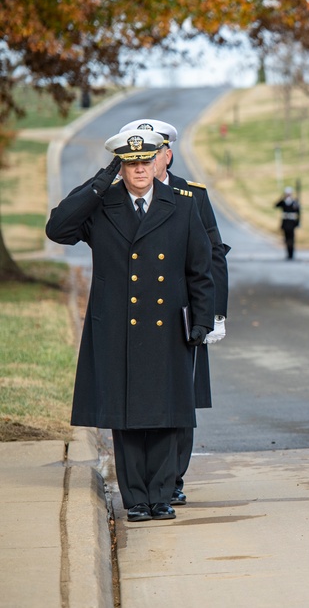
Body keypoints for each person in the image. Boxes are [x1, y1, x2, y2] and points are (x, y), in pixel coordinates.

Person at [45, 129, 215, 522]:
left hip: (169, 323)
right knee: (127, 416)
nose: (139, 169)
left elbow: (200, 269)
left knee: (166, 414)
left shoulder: (182, 204)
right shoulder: (102, 205)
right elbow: (58, 229)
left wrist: (202, 320)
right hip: (118, 324)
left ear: (157, 161)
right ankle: (136, 499)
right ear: (120, 166)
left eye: (145, 161)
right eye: (130, 163)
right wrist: (101, 182)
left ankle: (161, 496)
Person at [119, 118, 230, 507]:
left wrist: (214, 314)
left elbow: (212, 255)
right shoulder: (121, 195)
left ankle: (173, 477)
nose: (153, 158)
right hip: (137, 313)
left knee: (181, 399)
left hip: (180, 313)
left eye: (159, 150)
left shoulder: (190, 195)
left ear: (167, 154)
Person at [275, 187, 300, 259]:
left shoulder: (294, 202)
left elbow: (298, 213)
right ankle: (288, 253)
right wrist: (282, 198)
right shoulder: (283, 202)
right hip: (285, 223)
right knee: (286, 239)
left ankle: (291, 254)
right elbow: (276, 205)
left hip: (292, 223)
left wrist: (297, 222)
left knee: (291, 239)